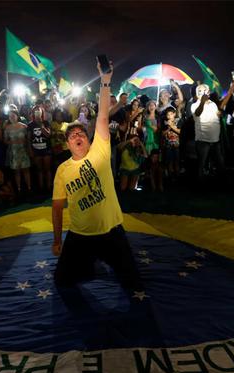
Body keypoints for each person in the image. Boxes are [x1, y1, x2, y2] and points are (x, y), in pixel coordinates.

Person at [51, 60, 143, 295]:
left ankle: (95, 263)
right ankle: (88, 264)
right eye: (72, 136)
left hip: (111, 231)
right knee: (61, 281)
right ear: (67, 144)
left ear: (90, 139)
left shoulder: (99, 150)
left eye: (81, 132)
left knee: (133, 284)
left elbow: (102, 116)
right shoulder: (63, 170)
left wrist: (105, 81)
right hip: (80, 235)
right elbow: (57, 206)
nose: (77, 136)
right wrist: (57, 239)